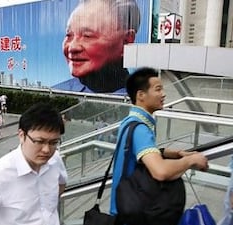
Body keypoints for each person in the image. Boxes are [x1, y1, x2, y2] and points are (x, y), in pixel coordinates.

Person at [109, 67, 209, 223]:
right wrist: (191, 160)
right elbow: (160, 171)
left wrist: (174, 154)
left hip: (123, 207)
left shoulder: (130, 122)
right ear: (141, 95)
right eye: (158, 89)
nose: (163, 94)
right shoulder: (141, 129)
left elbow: (138, 154)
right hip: (132, 213)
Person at [52, 0, 140, 93]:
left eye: (87, 36)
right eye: (69, 35)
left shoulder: (142, 100)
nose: (72, 47)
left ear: (126, 41)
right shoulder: (57, 94)